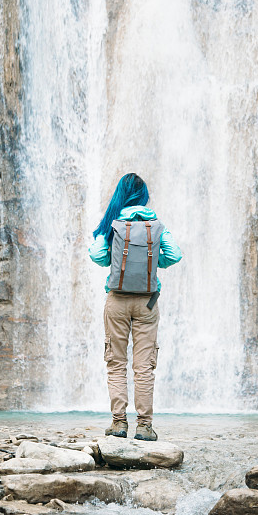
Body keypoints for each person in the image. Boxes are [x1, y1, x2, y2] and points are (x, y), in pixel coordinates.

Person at [88, 173, 182, 441]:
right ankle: (144, 425)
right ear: (143, 196)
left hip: (117, 301)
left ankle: (118, 423)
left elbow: (97, 255)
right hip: (147, 303)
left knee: (116, 363)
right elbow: (175, 254)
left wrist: (114, 260)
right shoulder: (156, 225)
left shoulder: (113, 223)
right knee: (144, 366)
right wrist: (155, 264)